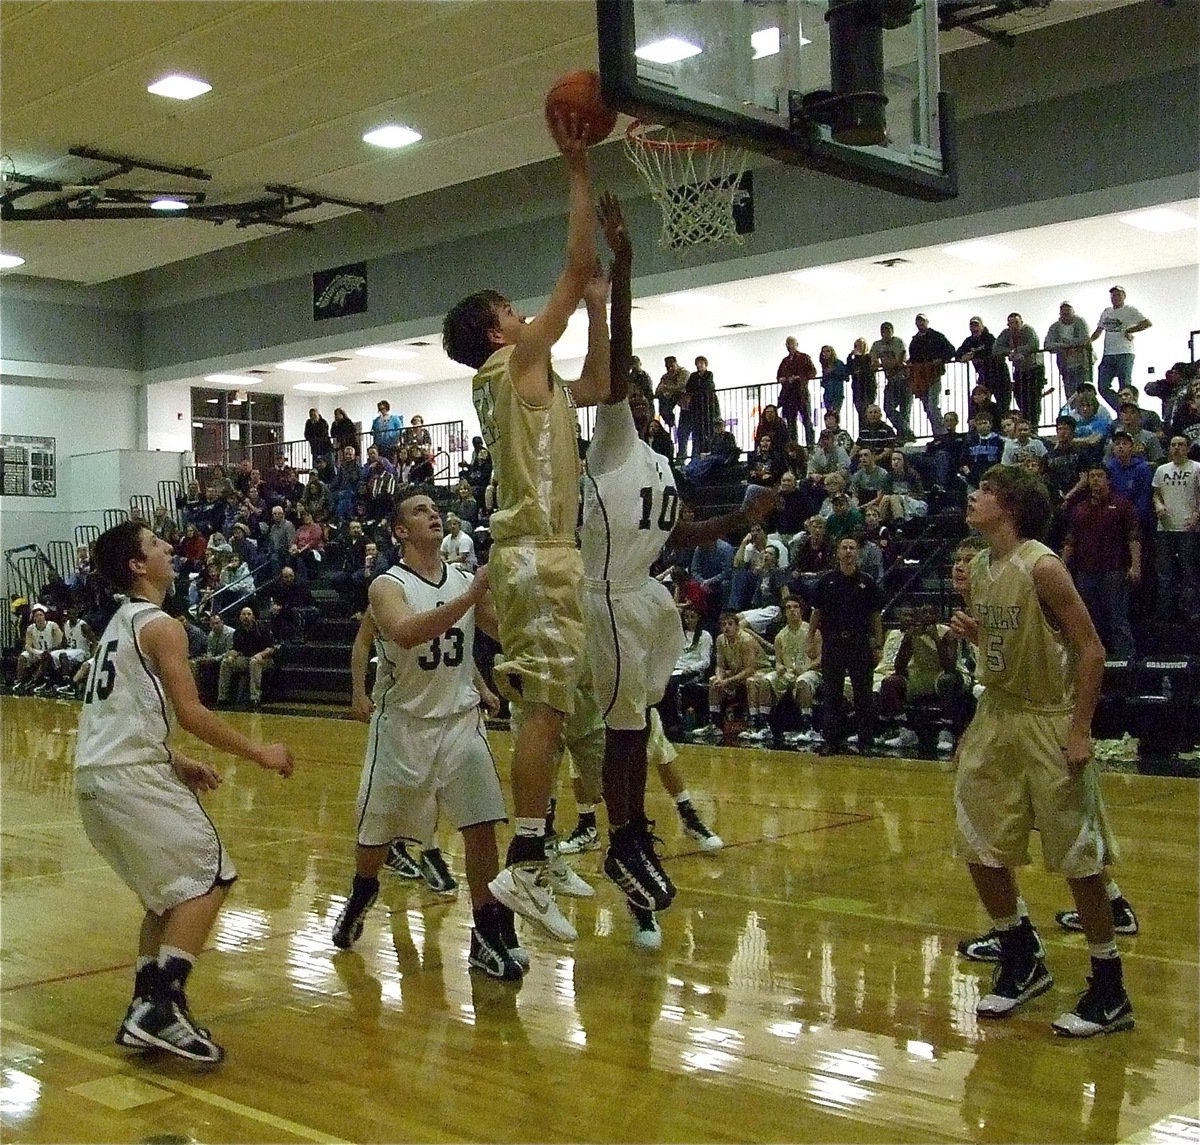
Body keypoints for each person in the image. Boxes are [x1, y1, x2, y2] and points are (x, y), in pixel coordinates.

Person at [582, 194, 774, 941]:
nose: (631, 399)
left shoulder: (659, 462)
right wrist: (623, 265)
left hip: (648, 598)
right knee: (625, 732)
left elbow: (683, 532)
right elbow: (623, 335)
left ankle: (630, 835)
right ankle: (625, 837)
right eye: (620, 391)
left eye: (637, 391)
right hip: (610, 597)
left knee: (638, 729)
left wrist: (741, 521)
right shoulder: (613, 444)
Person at [441, 112, 609, 945]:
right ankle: (528, 857)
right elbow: (576, 266)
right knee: (544, 708)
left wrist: (607, 304)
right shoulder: (514, 364)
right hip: (539, 552)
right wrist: (576, 168)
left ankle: (538, 852)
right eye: (512, 308)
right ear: (496, 330)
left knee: (552, 704)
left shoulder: (524, 377)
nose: (522, 312)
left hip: (541, 554)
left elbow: (604, 380)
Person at [73, 521, 293, 1063]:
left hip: (97, 777)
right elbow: (192, 713)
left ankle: (147, 1010)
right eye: (154, 544)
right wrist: (259, 752)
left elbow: (119, 718)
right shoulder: (161, 626)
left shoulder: (118, 626)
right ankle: (160, 1007)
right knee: (211, 876)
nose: (168, 547)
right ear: (137, 566)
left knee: (166, 899)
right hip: (130, 778)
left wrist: (176, 758)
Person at [949, 465, 1132, 1036]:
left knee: (1077, 858)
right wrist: (979, 638)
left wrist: (1080, 730)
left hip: (1047, 722)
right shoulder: (980, 567)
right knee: (978, 842)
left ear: (1008, 506)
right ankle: (1019, 955)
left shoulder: (1043, 566)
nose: (972, 497)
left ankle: (1109, 988)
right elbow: (1016, 642)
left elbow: (1091, 650)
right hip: (996, 715)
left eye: (983, 491)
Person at [330, 489, 526, 979]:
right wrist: (473, 593)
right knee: (376, 837)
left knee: (482, 827)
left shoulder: (462, 578)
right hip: (403, 729)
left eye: (435, 509)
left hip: (460, 722)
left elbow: (500, 631)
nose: (434, 514)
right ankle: (361, 893)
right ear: (400, 531)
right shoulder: (386, 585)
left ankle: (485, 933)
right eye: (420, 511)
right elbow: (406, 633)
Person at [807, 537, 882, 755]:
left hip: (859, 642)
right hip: (833, 642)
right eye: (844, 547)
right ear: (837, 552)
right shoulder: (826, 580)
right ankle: (832, 740)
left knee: (863, 694)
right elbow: (816, 611)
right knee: (832, 693)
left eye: (852, 548)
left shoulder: (867, 582)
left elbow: (875, 614)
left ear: (857, 553)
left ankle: (865, 741)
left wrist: (878, 643)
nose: (848, 551)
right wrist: (810, 637)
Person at [1151, 436, 1200, 631]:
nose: (1176, 448)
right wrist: (1159, 506)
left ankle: (1192, 614)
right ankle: (1165, 615)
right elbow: (1156, 494)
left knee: (1189, 573)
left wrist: (1197, 516)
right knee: (1164, 574)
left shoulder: (1196, 468)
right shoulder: (1161, 470)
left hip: (1188, 527)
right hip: (1165, 528)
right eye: (1173, 445)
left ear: (1188, 448)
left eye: (1181, 445)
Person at [1091, 285, 1152, 413]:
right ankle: (1122, 410)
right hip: (1108, 354)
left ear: (1124, 296)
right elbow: (1099, 330)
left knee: (1125, 386)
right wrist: (1088, 341)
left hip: (1124, 353)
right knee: (1103, 386)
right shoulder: (1106, 311)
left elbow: (1147, 323)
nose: (1115, 298)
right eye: (1113, 295)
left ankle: (1131, 412)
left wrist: (1130, 330)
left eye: (1118, 295)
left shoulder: (1130, 310)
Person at [217, 605, 276, 708]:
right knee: (226, 662)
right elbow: (236, 649)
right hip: (246, 659)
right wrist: (231, 656)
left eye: (249, 614)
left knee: (254, 662)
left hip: (265, 660)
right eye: (244, 614)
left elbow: (271, 649)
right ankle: (222, 697)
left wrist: (260, 654)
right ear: (240, 617)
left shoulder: (262, 629)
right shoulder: (238, 632)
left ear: (253, 616)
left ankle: (255, 697)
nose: (246, 617)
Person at [907, 313, 953, 434]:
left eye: (922, 321)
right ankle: (938, 433)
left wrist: (940, 359)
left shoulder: (937, 337)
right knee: (928, 408)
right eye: (918, 321)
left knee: (932, 406)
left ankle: (942, 433)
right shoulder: (915, 340)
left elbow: (950, 350)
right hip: (920, 377)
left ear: (927, 322)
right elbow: (913, 358)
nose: (920, 323)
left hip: (934, 375)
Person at [870, 322, 911, 440]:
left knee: (905, 411)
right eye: (883, 331)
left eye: (888, 331)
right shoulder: (877, 345)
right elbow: (873, 363)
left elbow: (899, 361)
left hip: (904, 379)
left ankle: (903, 436)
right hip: (891, 380)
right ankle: (906, 432)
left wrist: (883, 364)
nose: (885, 334)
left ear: (892, 331)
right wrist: (884, 364)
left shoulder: (898, 342)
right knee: (888, 408)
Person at [1044, 302, 1093, 398]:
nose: (1066, 316)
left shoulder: (1080, 322)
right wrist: (1063, 346)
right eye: (1064, 313)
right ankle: (1073, 412)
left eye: (1068, 313)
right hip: (1065, 365)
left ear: (1073, 312)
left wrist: (1067, 345)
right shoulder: (1055, 327)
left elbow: (1085, 339)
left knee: (1085, 391)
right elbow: (1047, 345)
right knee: (1070, 393)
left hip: (1082, 364)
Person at [12, 603, 64, 694]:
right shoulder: (30, 628)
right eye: (37, 616)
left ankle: (34, 681)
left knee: (46, 656)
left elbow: (60, 640)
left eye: (41, 615)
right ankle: (20, 681)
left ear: (45, 617)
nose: (39, 617)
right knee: (22, 656)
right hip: (37, 651)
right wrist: (35, 653)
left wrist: (50, 649)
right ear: (34, 618)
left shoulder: (53, 625)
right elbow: (27, 646)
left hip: (51, 651)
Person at [777, 336, 817, 446]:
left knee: (806, 420)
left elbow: (813, 372)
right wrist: (782, 379)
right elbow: (778, 375)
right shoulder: (785, 361)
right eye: (788, 344)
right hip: (788, 395)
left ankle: (810, 444)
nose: (789, 346)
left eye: (792, 344)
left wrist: (798, 377)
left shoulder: (804, 358)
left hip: (801, 393)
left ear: (796, 344)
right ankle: (794, 445)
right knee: (791, 422)